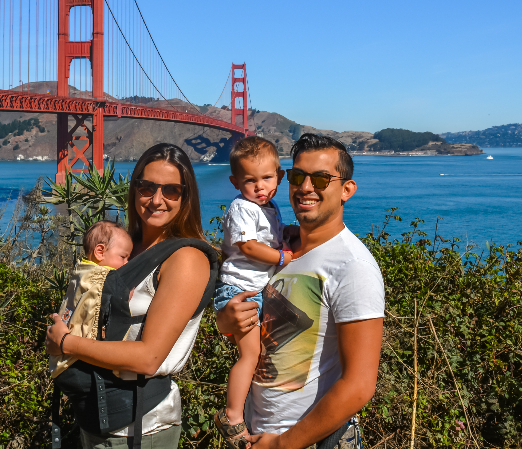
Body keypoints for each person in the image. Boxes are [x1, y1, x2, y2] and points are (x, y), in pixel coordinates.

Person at [216, 134, 385, 449]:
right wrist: (225, 323)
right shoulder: (277, 251)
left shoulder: (352, 264)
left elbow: (360, 386)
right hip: (256, 433)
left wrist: (283, 445)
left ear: (346, 190)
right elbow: (257, 332)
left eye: (321, 179)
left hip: (307, 441)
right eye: (297, 176)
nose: (306, 187)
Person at [46, 143, 214, 448]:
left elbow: (149, 359)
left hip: (141, 424)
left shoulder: (185, 259)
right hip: (96, 412)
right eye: (147, 187)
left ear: (186, 197)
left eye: (171, 190)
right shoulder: (125, 249)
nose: (157, 199)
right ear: (134, 188)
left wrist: (66, 343)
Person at [213, 137, 298, 448]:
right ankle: (232, 415)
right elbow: (248, 246)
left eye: (267, 178)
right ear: (236, 182)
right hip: (241, 291)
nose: (260, 187)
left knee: (262, 354)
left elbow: (270, 237)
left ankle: (250, 410)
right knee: (251, 355)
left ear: (279, 175)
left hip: (257, 290)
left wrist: (286, 235)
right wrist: (281, 258)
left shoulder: (269, 206)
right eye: (250, 181)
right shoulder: (241, 207)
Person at [49, 220, 133, 379]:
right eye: (123, 257)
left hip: (61, 361)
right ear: (100, 252)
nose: (126, 264)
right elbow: (121, 299)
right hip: (80, 361)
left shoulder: (81, 272)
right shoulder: (104, 278)